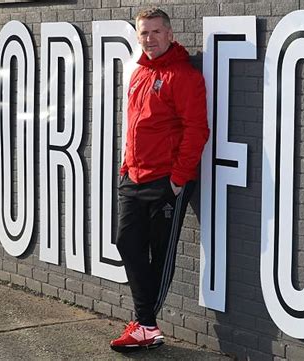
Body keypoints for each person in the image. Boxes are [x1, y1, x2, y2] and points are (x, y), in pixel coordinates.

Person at [110, 8, 209, 352]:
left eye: (155, 32)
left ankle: (146, 326)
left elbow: (197, 130)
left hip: (167, 180)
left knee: (160, 254)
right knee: (125, 242)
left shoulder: (182, 75)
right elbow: (135, 126)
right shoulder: (139, 73)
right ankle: (146, 323)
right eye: (143, 33)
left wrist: (178, 180)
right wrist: (125, 167)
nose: (149, 39)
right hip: (133, 177)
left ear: (169, 33)